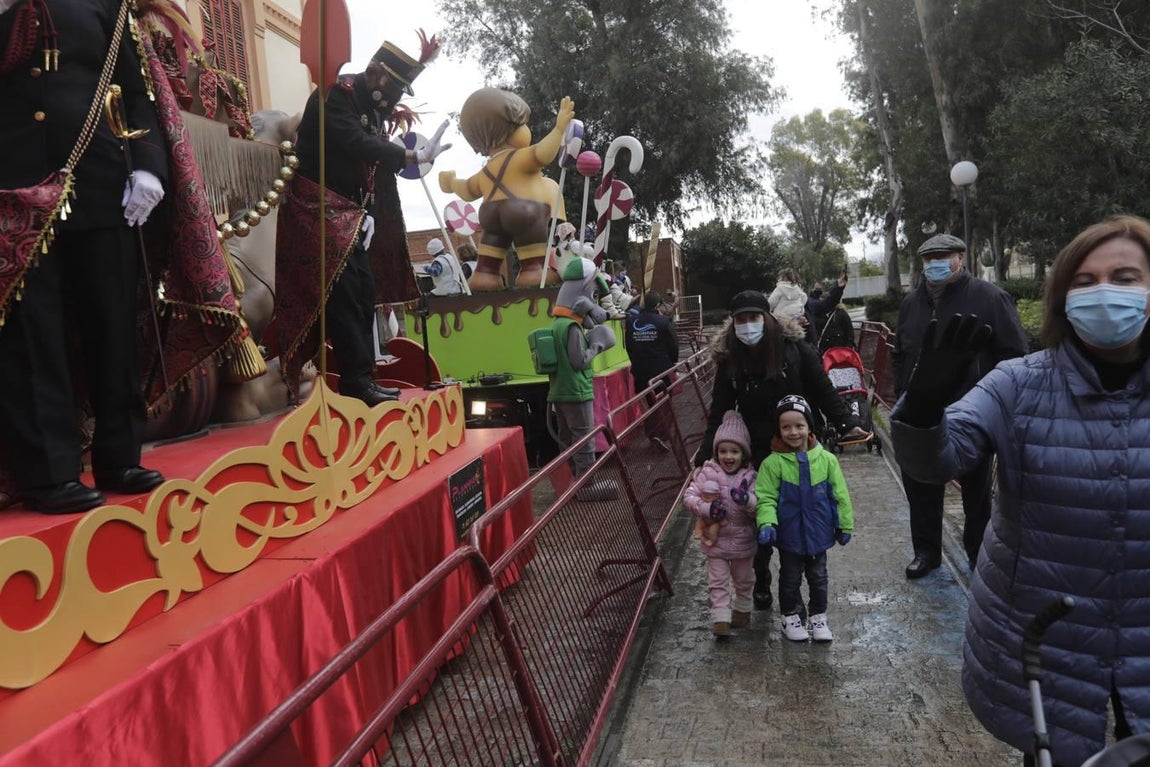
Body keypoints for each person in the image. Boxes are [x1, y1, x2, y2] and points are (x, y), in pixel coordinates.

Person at [890, 215, 1150, 766]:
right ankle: (929, 551)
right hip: (1039, 636)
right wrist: (920, 404)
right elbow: (938, 459)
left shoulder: (990, 297)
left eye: (1126, 277)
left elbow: (1006, 342)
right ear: (1061, 296)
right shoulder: (1020, 384)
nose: (1104, 293)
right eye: (1084, 281)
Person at [0, 0, 170, 513]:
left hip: (99, 174)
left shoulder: (104, 5)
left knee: (112, 319)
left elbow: (136, 90)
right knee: (33, 333)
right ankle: (48, 473)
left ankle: (120, 456)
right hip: (14, 182)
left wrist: (147, 166)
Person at [275, 35, 450, 406]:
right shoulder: (334, 94)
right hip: (315, 206)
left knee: (363, 292)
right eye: (394, 86)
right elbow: (356, 143)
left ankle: (363, 377)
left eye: (403, 89)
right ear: (372, 73)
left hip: (349, 213)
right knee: (343, 295)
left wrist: (368, 213)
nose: (397, 96)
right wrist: (410, 156)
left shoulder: (371, 109)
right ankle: (355, 382)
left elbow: (367, 171)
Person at [696, 289, 868, 610]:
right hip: (757, 451)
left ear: (768, 319)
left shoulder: (795, 351)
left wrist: (846, 422)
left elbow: (823, 389)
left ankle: (803, 583)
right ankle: (761, 581)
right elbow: (718, 411)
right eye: (741, 319)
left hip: (797, 446)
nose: (748, 325)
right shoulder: (731, 359)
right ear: (733, 323)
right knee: (757, 517)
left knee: (797, 514)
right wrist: (704, 455)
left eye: (754, 318)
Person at [892, 233, 1027, 578]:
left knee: (976, 490)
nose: (935, 263)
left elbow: (1014, 356)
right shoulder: (911, 303)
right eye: (928, 258)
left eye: (944, 255)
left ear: (961, 258)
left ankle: (977, 551)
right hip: (920, 410)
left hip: (971, 410)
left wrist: (993, 399)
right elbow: (900, 352)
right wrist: (901, 392)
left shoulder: (990, 298)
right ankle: (926, 551)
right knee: (920, 483)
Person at [438, 88, 574, 290]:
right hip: (524, 211)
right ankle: (532, 271)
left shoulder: (486, 170)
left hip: (490, 214)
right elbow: (544, 154)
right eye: (522, 125)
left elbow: (467, 190)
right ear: (508, 130)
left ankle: (485, 276)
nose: (527, 129)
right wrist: (559, 129)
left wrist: (451, 183)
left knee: (491, 247)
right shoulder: (520, 158)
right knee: (532, 255)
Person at [755, 395, 853, 642]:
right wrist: (767, 523)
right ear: (778, 429)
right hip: (790, 535)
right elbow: (766, 497)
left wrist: (844, 523)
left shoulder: (827, 460)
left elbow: (840, 495)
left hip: (819, 533)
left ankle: (819, 616)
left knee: (819, 578)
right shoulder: (772, 464)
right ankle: (791, 617)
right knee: (790, 578)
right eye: (786, 427)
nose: (793, 432)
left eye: (799, 425)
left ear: (809, 426)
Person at [683, 410, 757, 638]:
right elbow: (689, 496)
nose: (728, 456)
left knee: (744, 579)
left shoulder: (750, 477)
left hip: (743, 541)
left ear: (743, 454)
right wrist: (706, 508)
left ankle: (743, 609)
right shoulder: (707, 473)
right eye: (723, 451)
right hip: (715, 543)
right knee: (717, 581)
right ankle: (721, 619)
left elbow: (759, 505)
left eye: (734, 451)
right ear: (716, 453)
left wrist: (747, 501)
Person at [624, 291, 679, 449]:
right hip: (661, 370)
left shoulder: (631, 322)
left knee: (649, 404)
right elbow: (673, 345)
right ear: (658, 305)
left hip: (640, 370)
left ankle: (655, 434)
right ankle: (660, 434)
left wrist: (635, 362)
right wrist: (672, 362)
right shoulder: (663, 321)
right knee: (664, 402)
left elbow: (629, 346)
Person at [805, 270, 849, 345]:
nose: (820, 292)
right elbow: (826, 304)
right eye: (817, 289)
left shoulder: (839, 313)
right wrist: (838, 288)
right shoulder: (811, 303)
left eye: (820, 289)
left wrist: (838, 288)